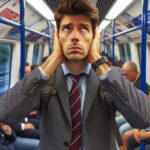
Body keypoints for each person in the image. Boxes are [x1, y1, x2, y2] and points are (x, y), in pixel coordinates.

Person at [0, 0, 150, 149]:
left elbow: (144, 117)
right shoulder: (43, 79)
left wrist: (97, 60)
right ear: (58, 36)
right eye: (67, 28)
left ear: (94, 37)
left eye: (84, 28)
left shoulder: (111, 77)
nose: (75, 36)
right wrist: (55, 57)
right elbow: (4, 113)